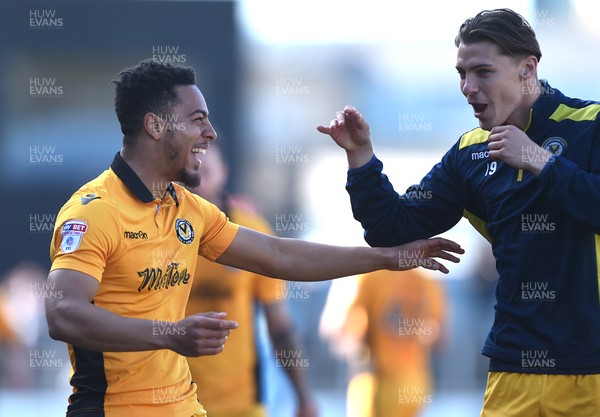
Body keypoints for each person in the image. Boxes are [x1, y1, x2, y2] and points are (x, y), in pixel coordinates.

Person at [45, 59, 464, 417]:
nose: (210, 134)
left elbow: (279, 255)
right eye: (197, 120)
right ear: (155, 125)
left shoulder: (187, 209)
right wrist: (169, 334)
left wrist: (392, 257)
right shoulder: (94, 211)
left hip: (188, 407)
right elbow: (62, 314)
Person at [317, 7, 600, 417]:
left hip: (591, 371)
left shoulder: (589, 125)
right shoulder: (469, 153)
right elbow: (391, 228)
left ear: (527, 68)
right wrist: (361, 158)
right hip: (512, 369)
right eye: (461, 74)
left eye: (483, 72)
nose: (468, 87)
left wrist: (542, 161)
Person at [185, 143, 318, 417]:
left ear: (223, 172)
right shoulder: (156, 232)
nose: (198, 183)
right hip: (170, 402)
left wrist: (304, 398)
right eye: (190, 173)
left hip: (240, 404)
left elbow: (279, 328)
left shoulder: (250, 232)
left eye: (205, 171)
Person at [321, 270, 446, 417]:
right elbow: (441, 338)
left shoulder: (364, 275)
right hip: (416, 383)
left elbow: (339, 327)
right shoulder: (428, 281)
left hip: (375, 385)